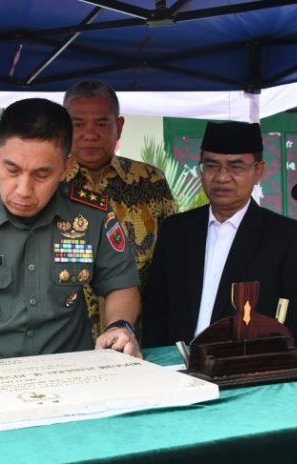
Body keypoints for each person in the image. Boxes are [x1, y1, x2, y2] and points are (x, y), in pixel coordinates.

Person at [0, 98, 141, 366]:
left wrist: (118, 325)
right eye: (12, 169)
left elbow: (121, 284)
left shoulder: (90, 215)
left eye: (42, 174)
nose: (23, 189)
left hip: (71, 373)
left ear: (66, 168)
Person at [142, 121, 297, 378]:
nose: (221, 177)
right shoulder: (177, 231)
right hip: (178, 376)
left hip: (252, 381)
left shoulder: (290, 238)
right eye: (211, 165)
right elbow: (156, 314)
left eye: (236, 166)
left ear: (258, 170)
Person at [63, 80, 177, 336]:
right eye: (78, 124)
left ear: (119, 126)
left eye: (102, 124)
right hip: (67, 343)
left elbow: (173, 260)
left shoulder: (150, 181)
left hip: (138, 339)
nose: (90, 134)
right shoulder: (50, 183)